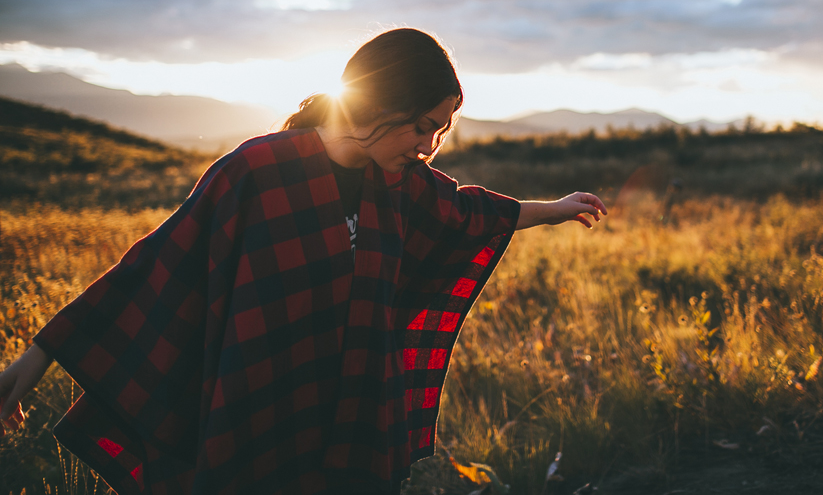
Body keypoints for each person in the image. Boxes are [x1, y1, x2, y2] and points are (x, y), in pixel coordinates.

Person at [0, 28, 606, 494]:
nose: (429, 147)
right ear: (381, 102)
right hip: (256, 413)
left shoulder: (400, 184)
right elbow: (158, 265)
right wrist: (39, 357)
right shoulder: (256, 172)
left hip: (352, 421)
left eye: (441, 133)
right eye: (423, 127)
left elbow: (467, 214)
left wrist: (550, 208)